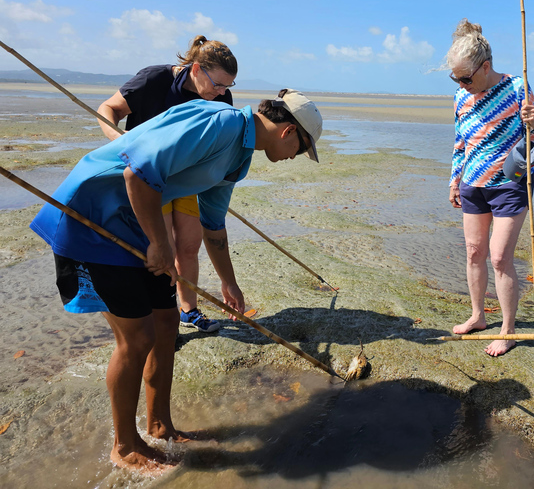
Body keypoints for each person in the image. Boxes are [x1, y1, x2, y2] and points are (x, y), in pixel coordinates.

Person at [30, 88, 323, 473]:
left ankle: (160, 425)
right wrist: (159, 243)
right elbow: (137, 174)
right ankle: (124, 446)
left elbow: (213, 226)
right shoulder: (223, 123)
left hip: (134, 224)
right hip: (93, 217)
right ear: (288, 133)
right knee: (136, 338)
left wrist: (228, 283)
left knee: (167, 324)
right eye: (302, 150)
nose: (294, 159)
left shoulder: (238, 160)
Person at [97, 35, 238, 333]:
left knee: (188, 247)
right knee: (164, 248)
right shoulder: (154, 78)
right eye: (218, 84)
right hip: (146, 179)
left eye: (228, 86)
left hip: (184, 179)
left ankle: (189, 312)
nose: (222, 92)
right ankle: (165, 317)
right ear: (197, 69)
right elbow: (108, 109)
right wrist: (123, 143)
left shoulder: (220, 97)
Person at [447, 18, 534, 357]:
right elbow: (461, 143)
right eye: (455, 78)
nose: (461, 84)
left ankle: (508, 329)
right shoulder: (461, 97)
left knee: (500, 257)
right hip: (473, 184)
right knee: (474, 252)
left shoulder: (518, 88)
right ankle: (477, 316)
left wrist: (533, 124)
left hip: (509, 184)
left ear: (485, 67)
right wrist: (454, 180)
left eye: (466, 77)